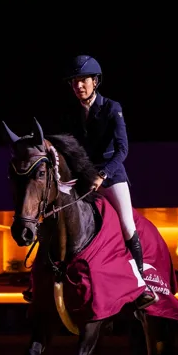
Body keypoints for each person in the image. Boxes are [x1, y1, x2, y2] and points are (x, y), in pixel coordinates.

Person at [23, 55, 155, 309]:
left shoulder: (111, 108)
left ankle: (141, 286)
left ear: (95, 81)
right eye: (74, 82)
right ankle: (35, 281)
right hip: (82, 176)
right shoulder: (72, 113)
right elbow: (64, 143)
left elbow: (122, 149)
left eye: (83, 80)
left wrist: (102, 175)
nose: (78, 86)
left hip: (111, 176)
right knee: (53, 214)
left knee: (127, 225)